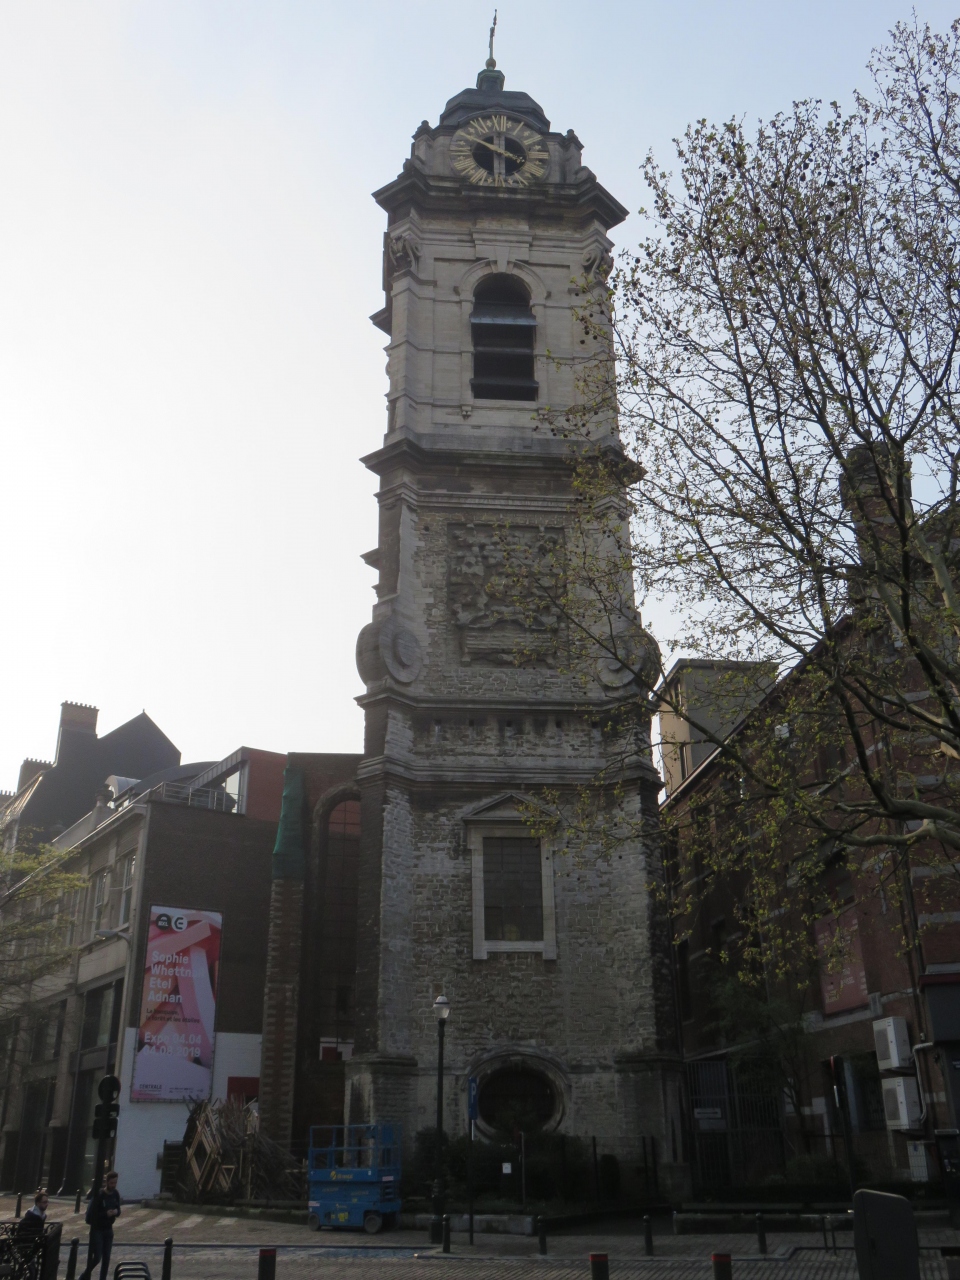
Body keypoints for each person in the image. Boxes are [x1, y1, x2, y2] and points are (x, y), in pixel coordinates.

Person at [80, 1172, 121, 1280]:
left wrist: (116, 1212)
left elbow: (119, 1209)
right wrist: (105, 1214)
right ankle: (84, 1276)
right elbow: (91, 1215)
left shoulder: (115, 1194)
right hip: (97, 1229)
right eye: (111, 1183)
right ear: (107, 1182)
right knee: (97, 1257)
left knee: (106, 1258)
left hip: (108, 1229)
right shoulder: (99, 1195)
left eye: (115, 1183)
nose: (113, 1185)